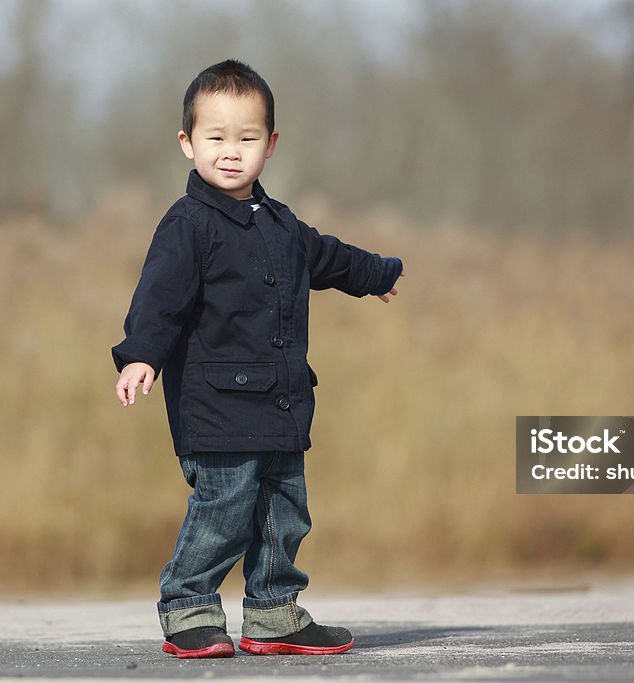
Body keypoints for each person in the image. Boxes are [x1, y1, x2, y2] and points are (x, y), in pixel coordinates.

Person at [111, 59, 403, 659]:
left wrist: (376, 274)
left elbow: (329, 258)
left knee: (283, 511)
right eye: (215, 137)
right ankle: (189, 605)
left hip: (281, 403)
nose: (230, 151)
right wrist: (140, 356)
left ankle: (273, 612)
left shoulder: (280, 225)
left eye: (246, 138)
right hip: (216, 408)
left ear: (270, 145)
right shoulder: (188, 225)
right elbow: (159, 298)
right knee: (224, 510)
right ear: (187, 142)